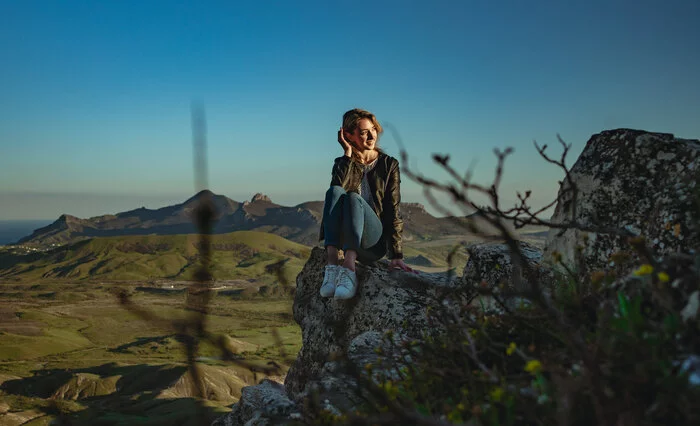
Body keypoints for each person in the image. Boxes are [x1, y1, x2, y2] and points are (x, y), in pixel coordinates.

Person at [319, 108, 415, 300]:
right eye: (364, 132)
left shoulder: (389, 165)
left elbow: (393, 209)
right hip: (345, 239)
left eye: (373, 129)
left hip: (373, 242)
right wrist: (347, 155)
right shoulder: (342, 162)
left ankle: (349, 269)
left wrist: (397, 254)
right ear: (349, 135)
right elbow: (335, 202)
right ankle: (331, 268)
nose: (372, 135)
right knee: (335, 191)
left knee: (354, 198)